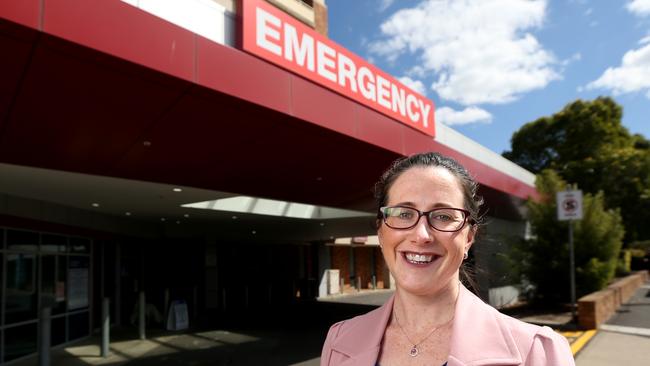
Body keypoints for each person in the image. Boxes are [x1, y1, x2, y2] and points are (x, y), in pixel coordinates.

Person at [320, 152, 575, 366]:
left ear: (468, 237)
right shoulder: (339, 341)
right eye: (403, 214)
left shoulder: (538, 353)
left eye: (443, 216)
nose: (421, 235)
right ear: (381, 230)